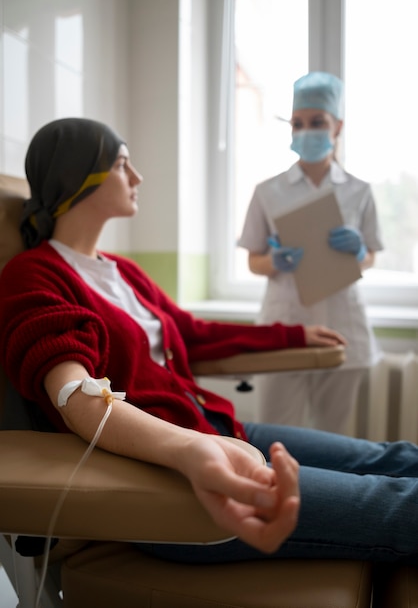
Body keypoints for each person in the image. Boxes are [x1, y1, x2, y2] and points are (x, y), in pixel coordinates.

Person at [1, 118, 418, 568]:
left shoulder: (120, 271)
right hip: (168, 477)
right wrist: (189, 448)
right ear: (77, 177)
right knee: (398, 501)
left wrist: (291, 334)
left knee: (397, 457)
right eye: (123, 164)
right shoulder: (32, 275)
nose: (138, 177)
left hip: (214, 428)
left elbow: (193, 332)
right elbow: (74, 394)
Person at [238, 71, 383, 433]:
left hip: (341, 324)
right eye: (298, 124)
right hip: (285, 323)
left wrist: (360, 251)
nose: (307, 131)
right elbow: (253, 260)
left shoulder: (359, 191)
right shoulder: (267, 191)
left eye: (317, 122)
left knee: (333, 441)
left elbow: (370, 258)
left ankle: (323, 494)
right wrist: (273, 261)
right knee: (275, 435)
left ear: (338, 126)